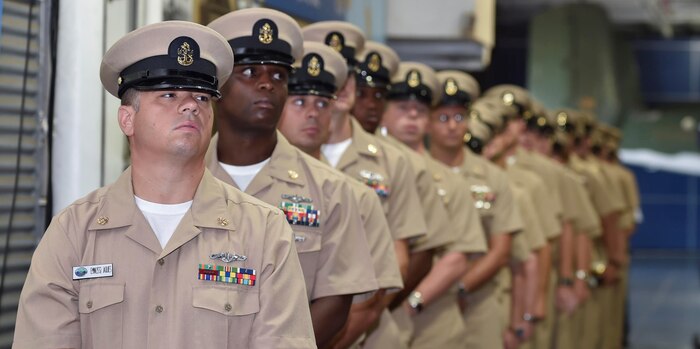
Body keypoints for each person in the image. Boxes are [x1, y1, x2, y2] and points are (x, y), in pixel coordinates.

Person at [12, 21, 316, 349]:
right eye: (169, 94)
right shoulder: (74, 233)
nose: (190, 105)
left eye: (202, 96)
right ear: (127, 119)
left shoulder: (264, 232)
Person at [207, 9, 378, 348]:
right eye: (250, 72)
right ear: (217, 86)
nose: (267, 83)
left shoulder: (330, 190)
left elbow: (336, 300)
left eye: (279, 75)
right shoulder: (183, 181)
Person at [303, 23, 427, 349]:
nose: (341, 85)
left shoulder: (392, 161)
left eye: (348, 73)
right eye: (328, 75)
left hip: (366, 332)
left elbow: (399, 260)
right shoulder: (277, 160)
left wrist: (354, 323)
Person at [277, 40, 404, 348]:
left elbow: (366, 300)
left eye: (322, 103)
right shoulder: (218, 179)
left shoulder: (350, 194)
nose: (311, 113)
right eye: (299, 101)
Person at [380, 61, 488, 348]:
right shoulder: (370, 172)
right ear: (384, 113)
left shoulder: (450, 182)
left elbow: (457, 257)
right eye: (403, 108)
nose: (412, 117)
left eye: (421, 111)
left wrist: (410, 304)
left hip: (432, 319)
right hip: (373, 315)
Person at [428, 73, 525, 349]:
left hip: (478, 302)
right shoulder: (416, 172)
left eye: (459, 118)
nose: (452, 127)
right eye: (442, 118)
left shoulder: (493, 178)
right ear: (428, 123)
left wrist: (461, 287)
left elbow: (500, 249)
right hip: (426, 301)